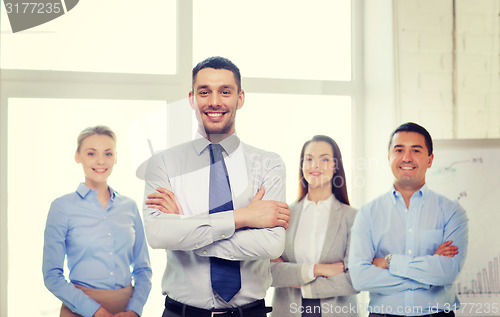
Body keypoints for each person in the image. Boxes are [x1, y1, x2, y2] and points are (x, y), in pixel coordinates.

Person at [142, 56, 290, 317]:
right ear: (191, 98)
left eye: (225, 91)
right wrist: (244, 217)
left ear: (240, 98)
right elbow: (158, 236)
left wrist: (185, 225)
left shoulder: (269, 164)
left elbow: (271, 244)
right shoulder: (162, 164)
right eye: (204, 92)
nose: (214, 101)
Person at [348, 122, 469, 317]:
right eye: (399, 150)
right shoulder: (367, 213)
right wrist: (428, 275)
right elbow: (360, 278)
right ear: (389, 158)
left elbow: (447, 272)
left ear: (430, 160)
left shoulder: (452, 212)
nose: (406, 157)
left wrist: (390, 261)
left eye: (416, 150)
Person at [43, 126, 152, 317]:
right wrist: (95, 312)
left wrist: (134, 311)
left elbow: (143, 269)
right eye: (91, 153)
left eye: (108, 153)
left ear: (116, 157)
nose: (101, 161)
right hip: (79, 309)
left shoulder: (130, 206)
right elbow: (52, 275)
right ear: (78, 156)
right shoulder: (62, 207)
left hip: (126, 311)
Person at [270, 135, 358, 317]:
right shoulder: (283, 214)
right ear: (302, 166)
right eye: (309, 159)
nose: (315, 165)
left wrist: (298, 280)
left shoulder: (353, 218)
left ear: (335, 167)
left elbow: (354, 279)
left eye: (324, 159)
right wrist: (318, 270)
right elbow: (270, 272)